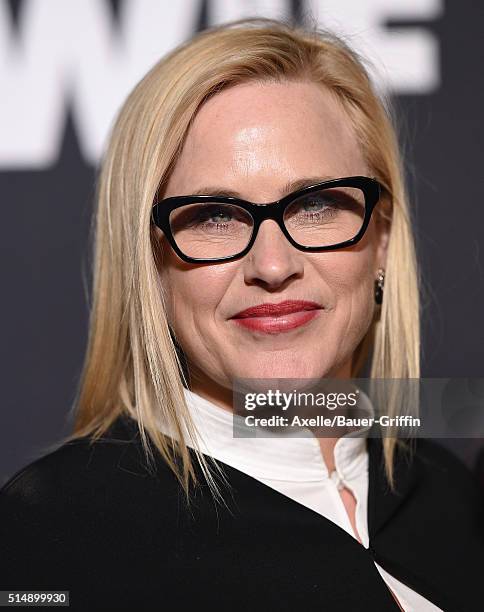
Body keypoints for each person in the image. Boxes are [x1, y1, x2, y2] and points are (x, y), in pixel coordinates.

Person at [0, 17, 482, 612]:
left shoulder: (449, 497)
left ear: (380, 238)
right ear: (148, 263)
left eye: (315, 204)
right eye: (213, 217)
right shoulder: (51, 537)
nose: (274, 265)